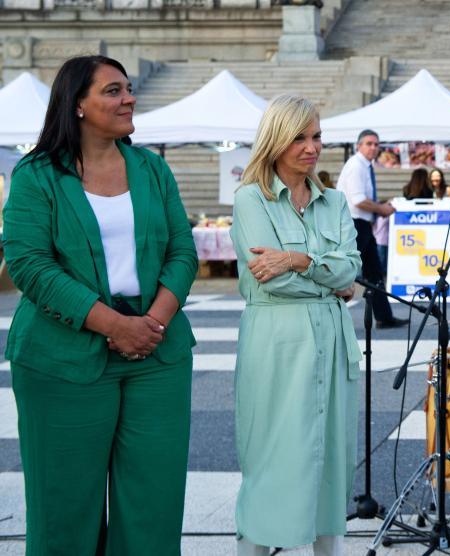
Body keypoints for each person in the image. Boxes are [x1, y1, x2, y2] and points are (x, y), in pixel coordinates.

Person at [2, 55, 197, 554]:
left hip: (157, 354)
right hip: (61, 357)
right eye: (113, 91)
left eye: (128, 89)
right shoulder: (36, 174)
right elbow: (30, 264)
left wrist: (150, 322)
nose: (129, 98)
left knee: (153, 505)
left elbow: (182, 250)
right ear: (78, 105)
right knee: (65, 508)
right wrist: (113, 324)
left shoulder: (151, 168)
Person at [230, 94, 363, 556]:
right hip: (278, 344)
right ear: (275, 140)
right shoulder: (251, 200)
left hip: (333, 340)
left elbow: (354, 270)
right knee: (273, 457)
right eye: (299, 137)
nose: (312, 147)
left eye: (317, 136)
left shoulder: (335, 202)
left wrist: (299, 260)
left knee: (331, 457)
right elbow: (273, 285)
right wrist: (331, 279)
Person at [336, 129, 407, 328]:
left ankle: (384, 317)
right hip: (353, 224)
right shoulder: (356, 166)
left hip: (361, 224)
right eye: (369, 143)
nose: (374, 147)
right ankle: (332, 314)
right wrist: (381, 208)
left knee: (374, 272)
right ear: (359, 145)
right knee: (345, 272)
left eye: (376, 144)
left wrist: (379, 207)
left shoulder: (364, 166)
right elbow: (358, 200)